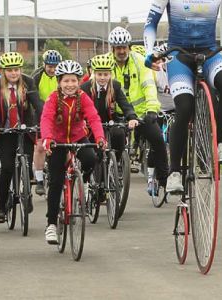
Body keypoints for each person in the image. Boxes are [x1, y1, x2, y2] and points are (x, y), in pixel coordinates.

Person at [143, 0, 222, 193]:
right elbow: (150, 24)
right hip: (178, 55)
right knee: (185, 107)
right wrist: (149, 51)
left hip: (210, 52)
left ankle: (220, 144)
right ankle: (175, 172)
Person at [40, 60, 105, 244]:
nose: (70, 85)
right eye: (66, 81)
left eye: (74, 81)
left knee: (91, 158)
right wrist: (48, 139)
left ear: (79, 81)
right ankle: (51, 224)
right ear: (59, 82)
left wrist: (99, 138)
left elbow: (93, 118)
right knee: (56, 180)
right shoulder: (53, 98)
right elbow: (46, 119)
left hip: (77, 138)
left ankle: (82, 182)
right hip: (57, 141)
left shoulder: (83, 97)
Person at [108, 26, 169, 190]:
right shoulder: (106, 64)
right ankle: (115, 167)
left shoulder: (141, 61)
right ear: (113, 49)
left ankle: (164, 178)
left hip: (141, 112)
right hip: (117, 114)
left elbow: (149, 86)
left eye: (124, 47)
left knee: (157, 139)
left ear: (129, 47)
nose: (121, 51)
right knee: (116, 139)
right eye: (118, 48)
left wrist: (151, 109)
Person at [0, 52, 43, 223]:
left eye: (16, 69)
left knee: (25, 163)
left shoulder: (28, 82)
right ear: (4, 71)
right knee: (8, 168)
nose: (13, 73)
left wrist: (44, 121)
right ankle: (2, 208)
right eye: (9, 70)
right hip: (5, 131)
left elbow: (37, 103)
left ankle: (26, 194)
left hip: (25, 130)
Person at [80, 54, 139, 161]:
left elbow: (124, 104)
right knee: (93, 150)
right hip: (91, 124)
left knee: (119, 134)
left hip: (110, 122)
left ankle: (116, 161)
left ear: (110, 74)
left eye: (106, 74)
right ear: (94, 73)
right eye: (99, 74)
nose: (102, 77)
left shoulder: (115, 86)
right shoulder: (85, 88)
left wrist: (132, 117)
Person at [31, 49, 63, 195]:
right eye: (49, 66)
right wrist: (44, 110)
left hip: (60, 114)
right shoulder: (37, 77)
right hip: (41, 113)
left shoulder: (62, 77)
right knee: (40, 146)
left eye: (55, 66)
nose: (52, 69)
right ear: (44, 65)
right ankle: (38, 180)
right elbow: (33, 97)